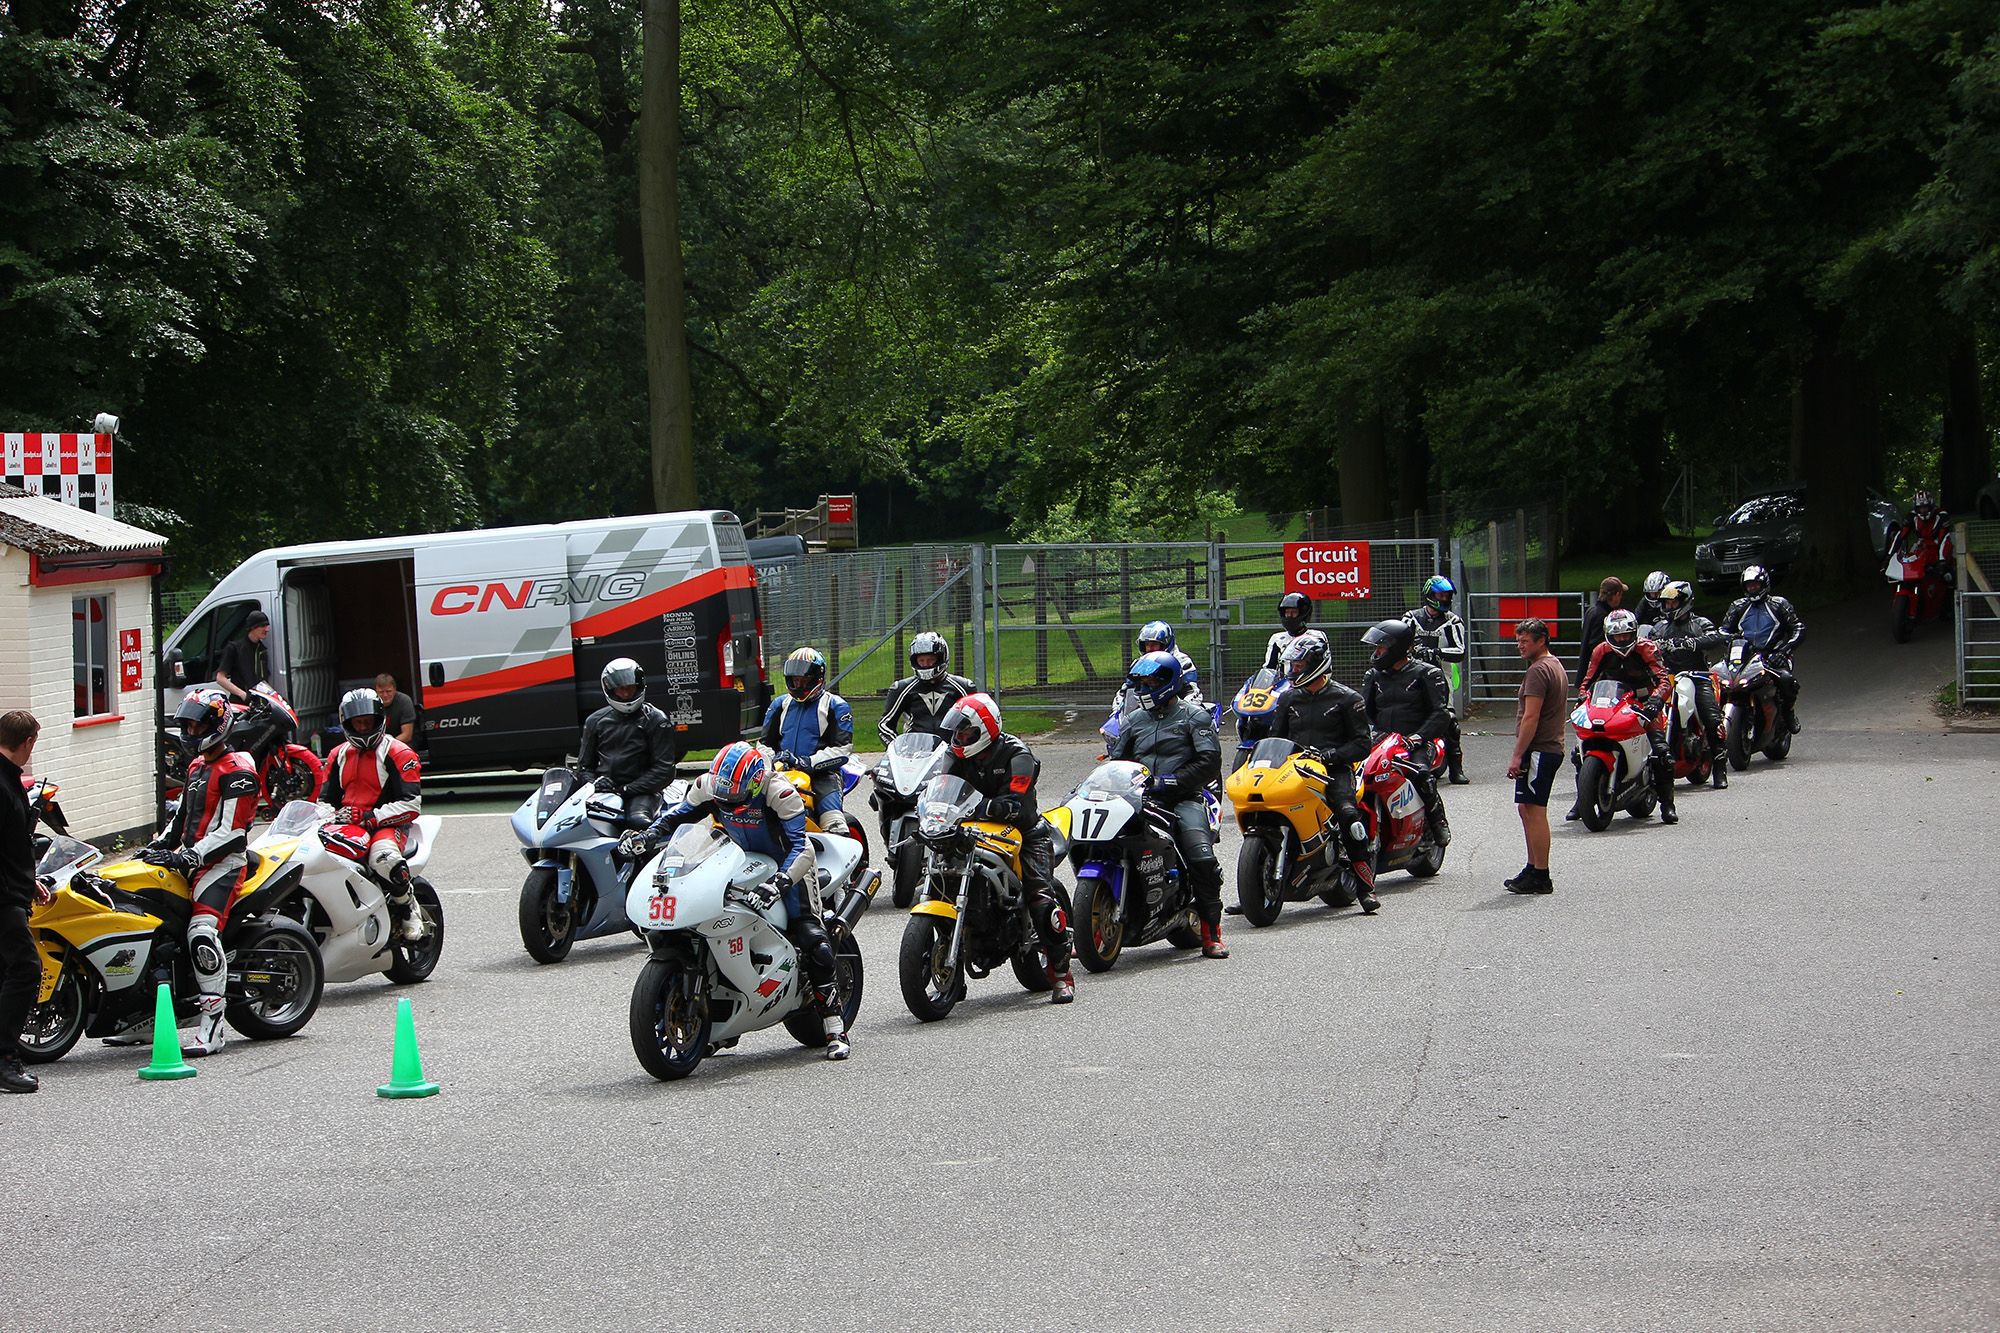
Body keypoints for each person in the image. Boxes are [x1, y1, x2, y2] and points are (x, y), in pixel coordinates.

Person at [623, 744, 851, 1058]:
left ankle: (835, 1028)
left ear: (756, 783)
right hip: (736, 859)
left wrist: (780, 882)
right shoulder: (710, 786)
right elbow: (678, 817)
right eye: (722, 795)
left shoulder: (780, 794)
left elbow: (802, 847)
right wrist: (650, 834)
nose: (727, 801)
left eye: (735, 796)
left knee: (813, 939)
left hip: (788, 864)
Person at [144, 689, 261, 1055]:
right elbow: (180, 818)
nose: (192, 731)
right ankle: (144, 1019)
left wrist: (189, 856)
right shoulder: (198, 766)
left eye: (199, 724)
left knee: (201, 932)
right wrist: (159, 846)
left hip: (223, 866)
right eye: (188, 724)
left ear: (218, 724)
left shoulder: (238, 770)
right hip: (191, 861)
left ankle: (213, 1026)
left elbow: (231, 832)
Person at [937, 692, 1075, 1001]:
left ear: (986, 729)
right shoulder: (955, 755)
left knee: (1039, 896)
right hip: (973, 832)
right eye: (957, 733)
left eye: (966, 732)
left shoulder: (1018, 754)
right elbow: (938, 786)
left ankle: (1061, 974)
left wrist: (980, 807)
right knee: (940, 882)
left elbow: (1017, 803)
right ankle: (953, 977)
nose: (960, 738)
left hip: (1026, 833)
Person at [1108, 651, 1228, 958]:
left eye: (1150, 682)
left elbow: (1209, 761)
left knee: (1201, 859)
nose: (1144, 688)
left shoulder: (1194, 716)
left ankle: (1212, 931)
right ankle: (1094, 929)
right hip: (1139, 799)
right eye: (1141, 682)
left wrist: (1170, 781)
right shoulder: (1134, 720)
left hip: (1183, 799)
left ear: (1169, 682)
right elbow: (1117, 760)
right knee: (1102, 843)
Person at [1269, 632, 1379, 913]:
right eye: (1291, 665)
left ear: (1316, 664)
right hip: (1293, 770)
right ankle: (1258, 889)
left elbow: (1362, 744)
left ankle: (1366, 887)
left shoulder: (1347, 699)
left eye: (1298, 665)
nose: (1293, 671)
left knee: (1348, 816)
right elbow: (1275, 739)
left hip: (1334, 770)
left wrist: (1331, 755)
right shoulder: (1287, 699)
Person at [320, 688, 428, 942]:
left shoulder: (399, 752)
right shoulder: (337, 755)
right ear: (347, 724)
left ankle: (408, 906)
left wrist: (369, 816)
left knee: (383, 857)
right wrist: (329, 816)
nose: (364, 727)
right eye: (358, 723)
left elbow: (411, 804)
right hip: (349, 823)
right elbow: (324, 801)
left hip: (387, 823)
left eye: (368, 722)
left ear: (380, 719)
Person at [1575, 609, 1679, 825]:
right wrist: (1583, 698)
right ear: (1608, 635)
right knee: (1579, 750)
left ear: (1634, 633)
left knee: (1661, 751)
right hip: (1612, 703)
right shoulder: (1600, 651)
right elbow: (1588, 680)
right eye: (1617, 636)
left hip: (1644, 704)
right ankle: (1581, 799)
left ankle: (1667, 804)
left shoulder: (1647, 649)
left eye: (1626, 635)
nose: (1621, 640)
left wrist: (1655, 702)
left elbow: (1664, 680)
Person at [1359, 618, 1453, 845]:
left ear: (1397, 648)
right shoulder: (1373, 676)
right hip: (1382, 741)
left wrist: (1417, 737)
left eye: (1381, 647)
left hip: (1419, 740)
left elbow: (1440, 714)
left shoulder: (1427, 674)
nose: (1377, 653)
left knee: (1420, 773)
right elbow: (1365, 712)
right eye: (1376, 648)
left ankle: (1438, 821)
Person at [1, 710, 54, 1092]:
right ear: (28, 742)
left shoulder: (8, 779)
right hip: (2, 897)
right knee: (25, 970)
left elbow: (11, 843)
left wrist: (29, 878)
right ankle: (4, 1059)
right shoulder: (3, 784)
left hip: (12, 888)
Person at [761, 647, 855, 837]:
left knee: (834, 824)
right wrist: (773, 759)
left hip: (823, 775)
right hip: (782, 772)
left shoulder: (836, 706)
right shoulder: (779, 704)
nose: (798, 684)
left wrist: (807, 762)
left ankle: (852, 862)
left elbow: (843, 749)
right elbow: (764, 744)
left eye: (804, 680)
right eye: (795, 680)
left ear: (817, 678)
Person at [1504, 620, 1567, 895]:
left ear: (1542, 641)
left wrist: (1517, 755)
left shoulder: (1539, 670)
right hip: (1546, 748)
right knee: (1525, 808)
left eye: (1525, 641)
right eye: (1518, 640)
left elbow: (1531, 716)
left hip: (1541, 749)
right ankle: (1532, 866)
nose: (1520, 646)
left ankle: (1542, 874)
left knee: (1535, 810)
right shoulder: (1552, 664)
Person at [576, 658, 678, 827]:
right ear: (610, 690)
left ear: (639, 686)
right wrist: (595, 783)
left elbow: (664, 769)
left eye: (630, 689)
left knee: (638, 821)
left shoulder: (656, 719)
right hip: (604, 790)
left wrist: (627, 789)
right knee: (576, 823)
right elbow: (584, 766)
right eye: (620, 689)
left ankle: (649, 850)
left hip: (643, 791)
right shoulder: (595, 721)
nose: (625, 694)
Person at [1647, 581, 1728, 789]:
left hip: (1697, 676)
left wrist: (1694, 642)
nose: (1669, 607)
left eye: (1673, 603)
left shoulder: (1699, 623)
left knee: (1712, 718)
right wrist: (1653, 645)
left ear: (1685, 602)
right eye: (1666, 603)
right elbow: (1645, 644)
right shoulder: (1660, 626)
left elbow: (1717, 636)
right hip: (1668, 678)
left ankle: (1720, 768)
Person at [1717, 564, 1804, 734]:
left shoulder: (1779, 604)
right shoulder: (1738, 606)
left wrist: (1784, 650)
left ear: (1764, 585)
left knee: (1786, 681)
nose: (1752, 589)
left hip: (1774, 655)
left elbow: (1798, 628)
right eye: (1749, 586)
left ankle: (1788, 713)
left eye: (1755, 585)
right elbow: (1723, 630)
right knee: (1719, 680)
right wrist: (1729, 640)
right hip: (1744, 656)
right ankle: (1717, 722)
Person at [1404, 575, 1469, 784]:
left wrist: (1435, 652)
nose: (1444, 599)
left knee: (1449, 721)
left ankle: (1456, 769)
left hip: (1442, 676)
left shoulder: (1453, 621)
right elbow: (1399, 642)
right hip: (1413, 676)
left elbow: (1460, 651)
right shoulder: (1410, 618)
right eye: (1441, 595)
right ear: (1430, 595)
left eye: (1447, 595)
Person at [876, 631, 976, 747]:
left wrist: (964, 747)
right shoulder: (901, 689)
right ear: (914, 661)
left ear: (941, 658)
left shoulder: (963, 687)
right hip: (915, 755)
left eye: (930, 659)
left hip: (954, 752)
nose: (925, 664)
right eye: (921, 660)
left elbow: (976, 722)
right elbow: (885, 725)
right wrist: (897, 748)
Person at [1112, 621, 1203, 713]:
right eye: (1147, 644)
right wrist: (1117, 715)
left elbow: (1192, 691)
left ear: (1166, 643)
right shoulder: (1140, 664)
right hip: (1147, 713)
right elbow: (1124, 691)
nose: (1150, 649)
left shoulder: (1182, 661)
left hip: (1175, 712)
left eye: (1154, 644)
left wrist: (1186, 713)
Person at [214, 609, 271, 702]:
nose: (267, 629)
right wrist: (243, 695)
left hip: (259, 705)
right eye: (262, 626)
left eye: (267, 626)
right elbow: (220, 678)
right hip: (241, 705)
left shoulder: (262, 649)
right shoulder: (234, 648)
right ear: (252, 627)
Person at [1577, 577, 1626, 677]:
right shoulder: (1602, 616)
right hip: (1595, 675)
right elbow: (1597, 646)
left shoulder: (1592, 610)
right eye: (1620, 594)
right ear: (1616, 595)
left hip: (1587, 671)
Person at [1261, 593, 1315, 670]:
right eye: (1287, 612)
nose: (1289, 616)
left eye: (1294, 612)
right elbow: (1269, 668)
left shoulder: (1316, 637)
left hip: (1309, 680)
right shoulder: (1277, 639)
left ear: (1304, 613)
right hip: (1283, 681)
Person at [374, 673, 418, 746]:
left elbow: (407, 735)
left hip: (400, 744)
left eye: (388, 691)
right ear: (376, 691)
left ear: (394, 690)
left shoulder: (404, 701)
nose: (385, 695)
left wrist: (386, 746)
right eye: (381, 692)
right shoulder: (371, 703)